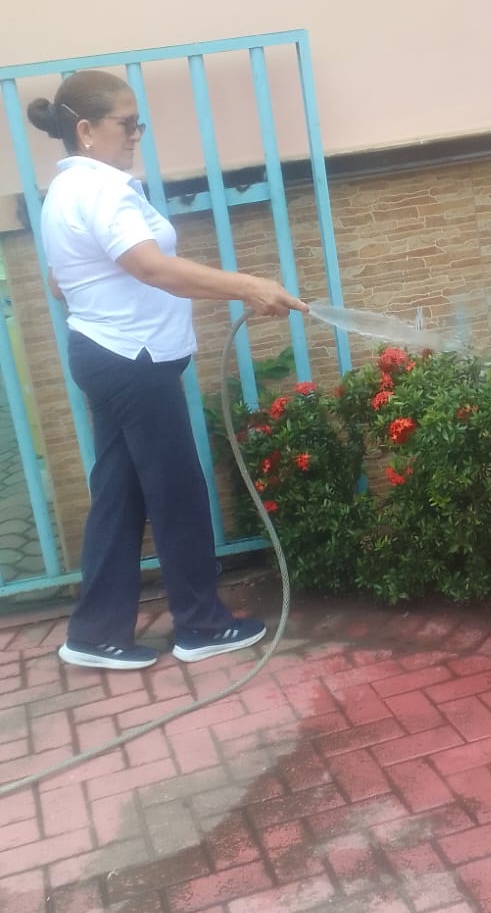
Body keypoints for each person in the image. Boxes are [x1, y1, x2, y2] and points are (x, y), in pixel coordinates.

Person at [29, 69, 307, 672]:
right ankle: (201, 626)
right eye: (127, 123)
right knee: (176, 493)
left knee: (118, 495)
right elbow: (152, 269)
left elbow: (59, 282)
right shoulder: (102, 192)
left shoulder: (65, 191)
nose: (137, 134)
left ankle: (95, 633)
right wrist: (248, 286)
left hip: (103, 354)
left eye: (140, 124)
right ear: (86, 129)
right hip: (135, 363)